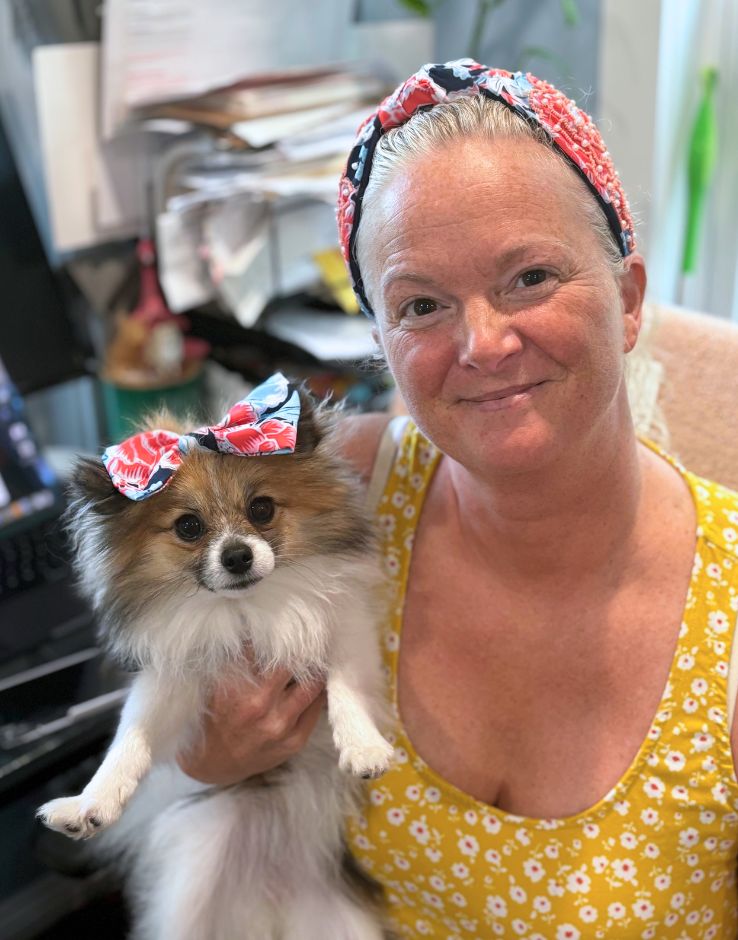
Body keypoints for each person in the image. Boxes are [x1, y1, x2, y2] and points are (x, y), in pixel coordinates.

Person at [180, 61, 738, 938]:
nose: (480, 343)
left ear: (628, 301)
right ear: (381, 345)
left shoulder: (729, 631)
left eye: (530, 279)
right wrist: (206, 759)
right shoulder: (334, 503)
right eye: (423, 305)